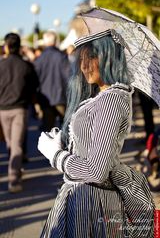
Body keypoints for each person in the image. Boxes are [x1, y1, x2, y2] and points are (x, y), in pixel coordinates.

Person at [38, 31, 155, 237]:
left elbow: (96, 171)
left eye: (91, 57)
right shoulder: (101, 95)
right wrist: (62, 142)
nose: (83, 66)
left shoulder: (112, 99)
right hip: (85, 198)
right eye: (81, 59)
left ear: (110, 56)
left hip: (92, 204)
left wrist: (56, 155)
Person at [0, 33, 39, 193]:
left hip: (3, 109)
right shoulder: (26, 66)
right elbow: (34, 85)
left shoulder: (1, 65)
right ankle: (14, 177)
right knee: (14, 143)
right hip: (19, 108)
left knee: (11, 143)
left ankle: (14, 174)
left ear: (7, 46)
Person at [34, 30, 71, 131]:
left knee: (48, 130)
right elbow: (68, 76)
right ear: (55, 41)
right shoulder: (61, 56)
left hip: (45, 99)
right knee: (65, 129)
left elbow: (35, 79)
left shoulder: (39, 58)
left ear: (45, 42)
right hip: (61, 97)